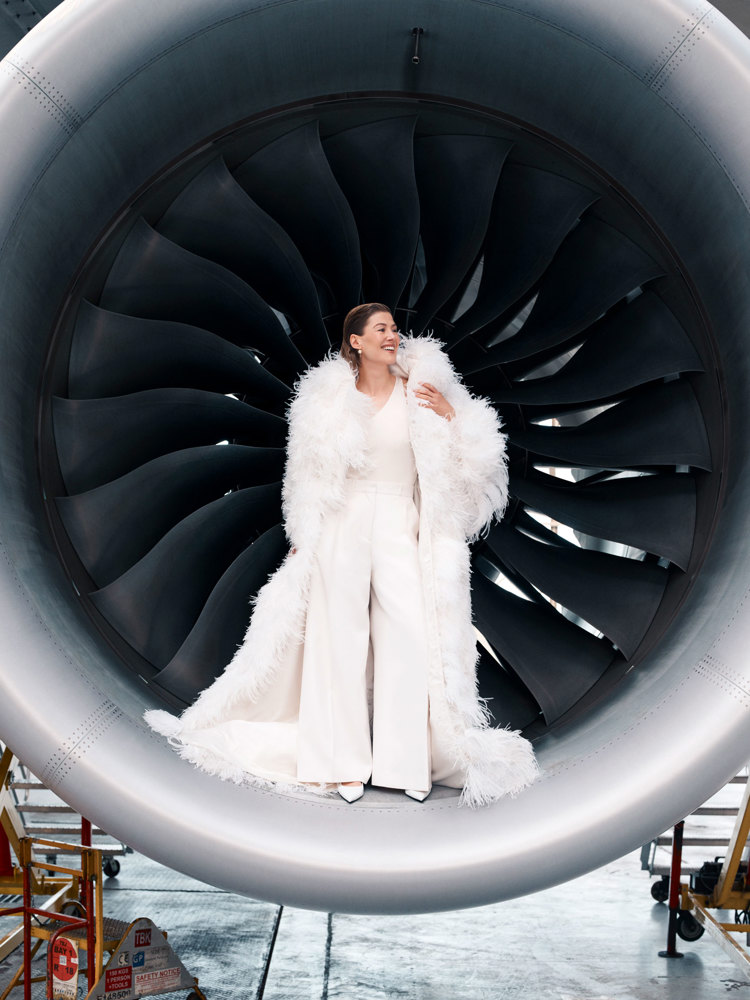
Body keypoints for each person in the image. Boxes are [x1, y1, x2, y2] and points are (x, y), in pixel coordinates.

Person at [145, 304, 540, 807]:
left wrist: (452, 416)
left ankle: (406, 764)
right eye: (382, 329)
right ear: (356, 341)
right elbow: (304, 475)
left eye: (396, 328)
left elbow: (473, 463)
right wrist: (304, 534)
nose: (394, 336)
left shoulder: (423, 389)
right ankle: (340, 765)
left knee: (411, 637)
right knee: (338, 642)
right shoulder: (327, 399)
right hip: (341, 523)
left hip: (402, 521)